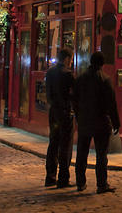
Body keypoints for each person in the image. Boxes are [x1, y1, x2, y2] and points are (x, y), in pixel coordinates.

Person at [73, 51, 120, 194]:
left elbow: (74, 100)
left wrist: (78, 116)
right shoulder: (105, 79)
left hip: (84, 121)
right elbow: (111, 103)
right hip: (101, 122)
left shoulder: (80, 78)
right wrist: (116, 122)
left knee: (82, 153)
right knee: (101, 155)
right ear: (102, 64)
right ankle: (101, 184)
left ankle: (80, 183)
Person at [45, 48, 75, 188]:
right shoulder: (68, 74)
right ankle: (63, 178)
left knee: (53, 143)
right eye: (71, 59)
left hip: (53, 112)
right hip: (65, 112)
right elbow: (74, 94)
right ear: (67, 59)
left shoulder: (50, 72)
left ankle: (50, 177)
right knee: (65, 145)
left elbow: (48, 92)